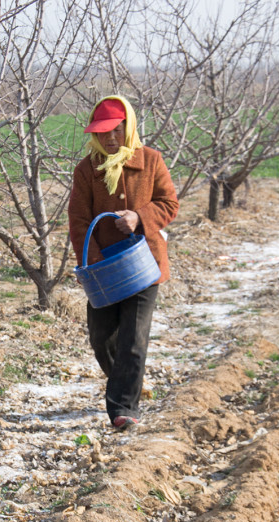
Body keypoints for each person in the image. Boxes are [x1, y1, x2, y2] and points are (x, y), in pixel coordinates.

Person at [68, 95, 179, 430]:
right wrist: (92, 263)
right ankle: (126, 380)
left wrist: (140, 217)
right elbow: (78, 221)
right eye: (103, 133)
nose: (111, 138)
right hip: (104, 270)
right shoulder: (87, 170)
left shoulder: (151, 160)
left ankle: (123, 408)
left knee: (133, 338)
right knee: (102, 339)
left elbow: (169, 203)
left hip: (144, 264)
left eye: (117, 130)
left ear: (128, 127)